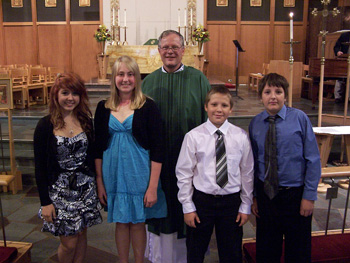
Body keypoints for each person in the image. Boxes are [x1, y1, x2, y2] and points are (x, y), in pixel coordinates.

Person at [141, 29, 211, 262]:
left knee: (189, 206)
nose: (170, 51)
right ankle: (160, 257)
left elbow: (208, 118)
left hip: (191, 159)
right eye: (165, 47)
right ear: (159, 51)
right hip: (157, 161)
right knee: (161, 207)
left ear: (183, 50)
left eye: (175, 47)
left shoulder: (198, 78)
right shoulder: (148, 81)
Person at [94, 55, 167, 263]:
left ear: (137, 78)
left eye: (130, 74)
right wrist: (99, 182)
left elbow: (158, 148)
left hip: (139, 172)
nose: (125, 79)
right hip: (113, 173)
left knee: (137, 222)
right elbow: (97, 148)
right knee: (120, 222)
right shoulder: (103, 107)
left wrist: (153, 186)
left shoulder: (148, 106)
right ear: (113, 78)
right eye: (120, 74)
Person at [249, 73, 321, 263]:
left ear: (285, 96)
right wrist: (255, 196)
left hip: (295, 196)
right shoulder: (255, 123)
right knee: (266, 248)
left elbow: (313, 159)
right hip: (267, 196)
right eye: (267, 92)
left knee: (297, 250)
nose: (273, 96)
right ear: (261, 96)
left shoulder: (300, 119)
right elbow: (254, 163)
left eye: (278, 92)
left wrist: (309, 196)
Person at [176, 86, 254, 263]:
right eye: (214, 104)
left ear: (231, 108)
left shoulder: (241, 136)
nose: (219, 109)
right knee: (195, 251)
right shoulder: (194, 136)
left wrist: (245, 205)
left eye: (224, 105)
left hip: (231, 202)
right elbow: (184, 173)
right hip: (202, 201)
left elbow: (247, 173)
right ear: (206, 106)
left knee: (232, 252)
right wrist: (187, 206)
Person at [34, 72, 102, 263]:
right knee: (69, 242)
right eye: (65, 93)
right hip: (60, 191)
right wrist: (45, 202)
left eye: (75, 93)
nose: (70, 98)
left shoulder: (86, 121)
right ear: (56, 95)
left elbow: (92, 155)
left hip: (85, 188)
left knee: (81, 234)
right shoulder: (45, 126)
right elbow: (39, 167)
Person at [333, 31, 350, 103]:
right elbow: (336, 46)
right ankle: (337, 97)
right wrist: (338, 52)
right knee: (339, 78)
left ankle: (349, 98)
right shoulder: (345, 35)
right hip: (343, 60)